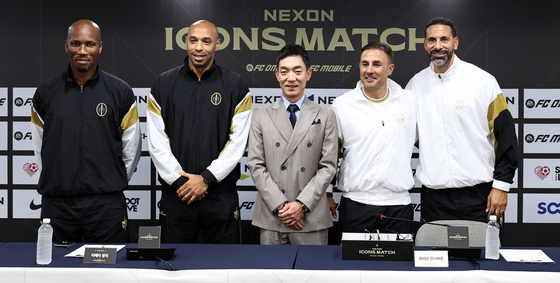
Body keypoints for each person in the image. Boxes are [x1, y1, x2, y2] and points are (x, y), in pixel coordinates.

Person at [31, 19, 141, 243]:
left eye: (90, 44)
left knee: (109, 276)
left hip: (106, 205)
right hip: (58, 205)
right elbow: (40, 148)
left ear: (100, 47)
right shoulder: (45, 93)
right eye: (76, 44)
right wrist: (58, 180)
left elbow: (132, 150)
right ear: (66, 46)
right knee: (57, 276)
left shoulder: (120, 91)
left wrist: (109, 181)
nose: (82, 51)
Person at [147, 20, 252, 244]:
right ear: (186, 41)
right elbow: (157, 141)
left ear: (217, 44)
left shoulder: (236, 85)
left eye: (206, 41)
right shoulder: (163, 84)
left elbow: (238, 141)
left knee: (224, 269)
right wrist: (180, 182)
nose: (198, 47)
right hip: (177, 194)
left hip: (220, 196)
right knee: (173, 270)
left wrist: (207, 179)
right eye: (193, 40)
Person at [406, 17, 518, 223]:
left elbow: (507, 138)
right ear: (424, 44)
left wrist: (501, 186)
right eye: (432, 40)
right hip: (434, 198)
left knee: (484, 255)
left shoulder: (483, 81)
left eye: (444, 40)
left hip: (480, 196)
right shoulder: (415, 85)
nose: (438, 46)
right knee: (435, 255)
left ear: (455, 43)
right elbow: (407, 136)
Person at [248, 44, 337, 245]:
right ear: (277, 75)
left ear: (308, 74)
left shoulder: (325, 115)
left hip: (310, 218)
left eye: (298, 71)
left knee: (311, 276)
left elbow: (328, 167)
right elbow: (255, 164)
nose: (291, 78)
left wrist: (301, 205)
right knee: (271, 276)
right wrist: (280, 205)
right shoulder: (260, 115)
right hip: (272, 217)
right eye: (285, 71)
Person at [331, 42, 417, 235]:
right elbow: (330, 154)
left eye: (377, 64)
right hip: (356, 204)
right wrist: (328, 192)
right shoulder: (342, 104)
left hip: (399, 205)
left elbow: (429, 143)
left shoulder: (410, 101)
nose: (369, 70)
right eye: (364, 64)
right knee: (354, 265)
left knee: (398, 265)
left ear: (390, 69)